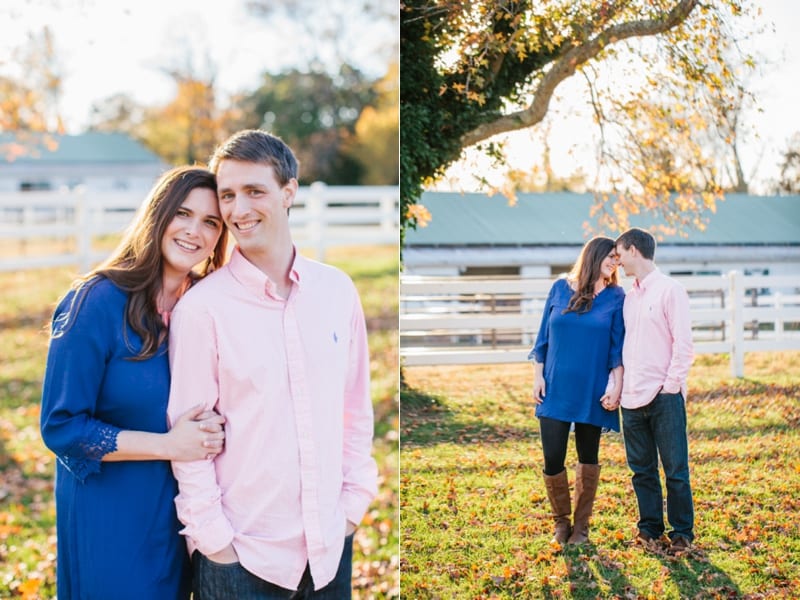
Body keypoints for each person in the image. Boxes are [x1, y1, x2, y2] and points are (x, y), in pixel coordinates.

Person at [166, 129, 379, 599]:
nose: (239, 210)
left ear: (288, 192)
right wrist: (218, 544)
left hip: (329, 547)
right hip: (242, 558)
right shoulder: (203, 309)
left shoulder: (337, 291)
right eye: (228, 195)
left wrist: (350, 507)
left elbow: (355, 409)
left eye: (254, 191)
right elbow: (189, 438)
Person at [40, 166, 229, 599]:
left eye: (210, 222)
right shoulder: (95, 301)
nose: (193, 231)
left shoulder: (206, 305)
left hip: (184, 516)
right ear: (158, 215)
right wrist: (168, 445)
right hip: (110, 514)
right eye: (182, 213)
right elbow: (62, 427)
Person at [528, 236, 625, 545]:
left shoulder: (616, 296)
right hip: (556, 386)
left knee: (588, 456)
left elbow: (616, 347)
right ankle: (561, 523)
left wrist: (617, 386)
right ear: (593, 256)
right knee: (552, 457)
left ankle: (580, 528)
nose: (614, 262)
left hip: (592, 389)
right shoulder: (559, 288)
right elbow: (543, 336)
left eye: (617, 259)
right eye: (610, 256)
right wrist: (537, 376)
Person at [614, 227, 695, 554]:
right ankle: (649, 529)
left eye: (619, 254)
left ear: (633, 250)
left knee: (675, 469)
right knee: (641, 471)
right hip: (631, 397)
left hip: (664, 396)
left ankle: (682, 533)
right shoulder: (629, 297)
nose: (617, 261)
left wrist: (670, 387)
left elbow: (684, 344)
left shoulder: (670, 290)